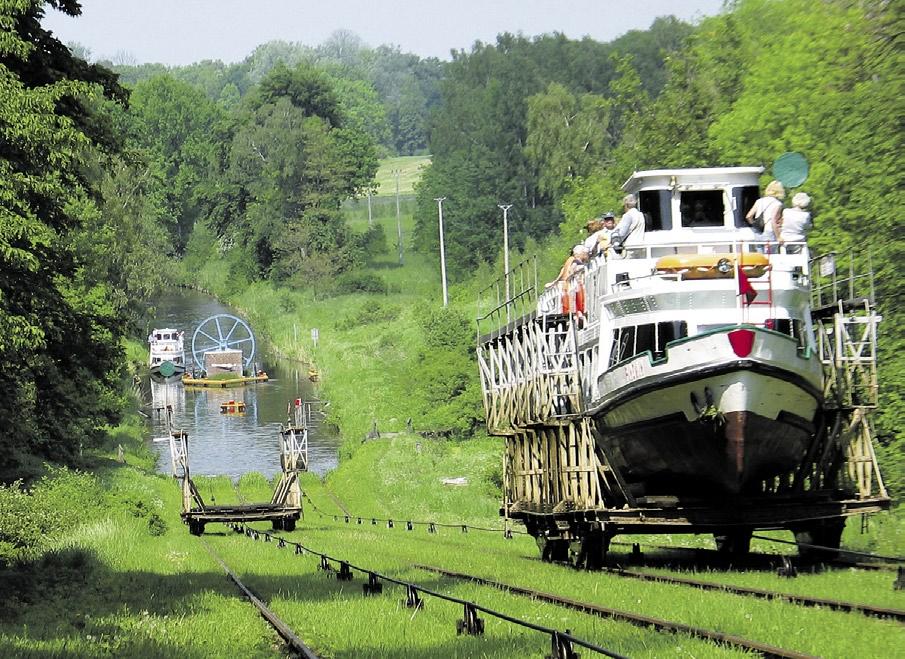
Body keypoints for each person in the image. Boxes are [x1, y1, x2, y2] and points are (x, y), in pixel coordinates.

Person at [745, 180, 785, 247]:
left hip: (758, 233)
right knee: (770, 256)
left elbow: (749, 216)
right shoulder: (777, 204)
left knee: (760, 256)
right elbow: (773, 221)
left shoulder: (759, 201)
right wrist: (778, 237)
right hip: (769, 232)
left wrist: (756, 225)